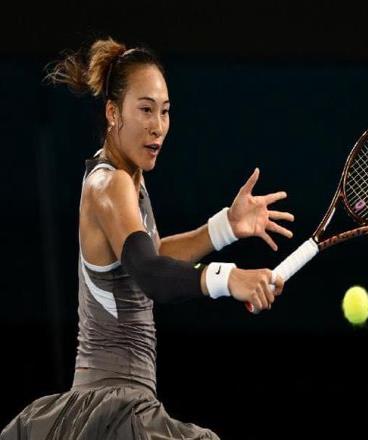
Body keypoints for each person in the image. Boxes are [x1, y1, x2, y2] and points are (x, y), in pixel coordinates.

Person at [0, 36, 294, 439]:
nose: (158, 126)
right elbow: (151, 273)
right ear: (113, 113)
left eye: (165, 111)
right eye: (145, 109)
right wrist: (228, 278)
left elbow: (151, 253)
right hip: (114, 409)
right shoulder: (111, 184)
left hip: (111, 407)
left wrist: (225, 226)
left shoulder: (129, 181)